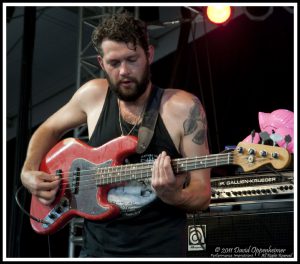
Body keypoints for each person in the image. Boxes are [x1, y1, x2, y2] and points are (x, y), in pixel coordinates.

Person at [20, 12, 211, 257]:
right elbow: (48, 128)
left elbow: (202, 194)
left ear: (149, 54)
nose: (124, 71)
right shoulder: (92, 96)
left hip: (161, 250)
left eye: (132, 59)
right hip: (97, 250)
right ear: (101, 63)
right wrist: (28, 172)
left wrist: (175, 195)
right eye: (114, 63)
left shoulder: (184, 108)